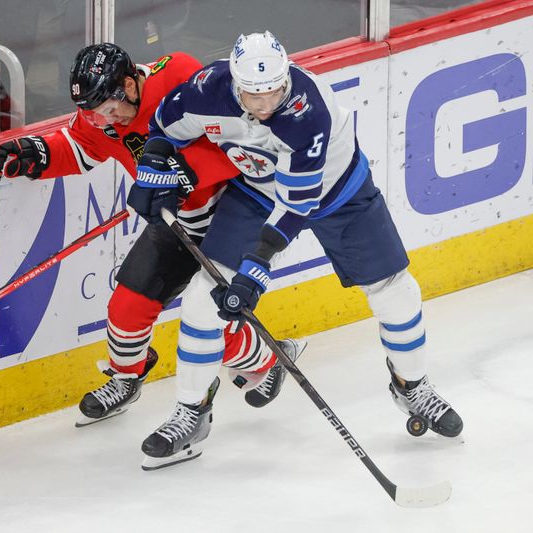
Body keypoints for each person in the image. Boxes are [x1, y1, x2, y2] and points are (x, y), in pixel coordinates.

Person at [134, 31, 463, 469]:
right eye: (254, 96)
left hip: (338, 195)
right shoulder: (205, 92)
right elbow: (163, 128)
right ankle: (191, 413)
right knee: (199, 302)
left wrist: (254, 272)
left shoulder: (307, 113)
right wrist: (155, 167)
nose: (267, 103)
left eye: (274, 90)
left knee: (396, 293)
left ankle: (411, 385)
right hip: (255, 193)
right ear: (235, 85)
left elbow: (296, 206)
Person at [0, 43, 304, 428]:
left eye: (108, 106)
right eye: (94, 111)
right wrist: (39, 155)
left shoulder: (179, 74)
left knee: (211, 319)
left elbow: (238, 138)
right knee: (126, 307)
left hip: (234, 207)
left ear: (130, 84)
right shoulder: (101, 117)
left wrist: (181, 173)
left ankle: (269, 361)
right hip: (178, 219)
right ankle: (125, 379)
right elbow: (79, 144)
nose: (105, 118)